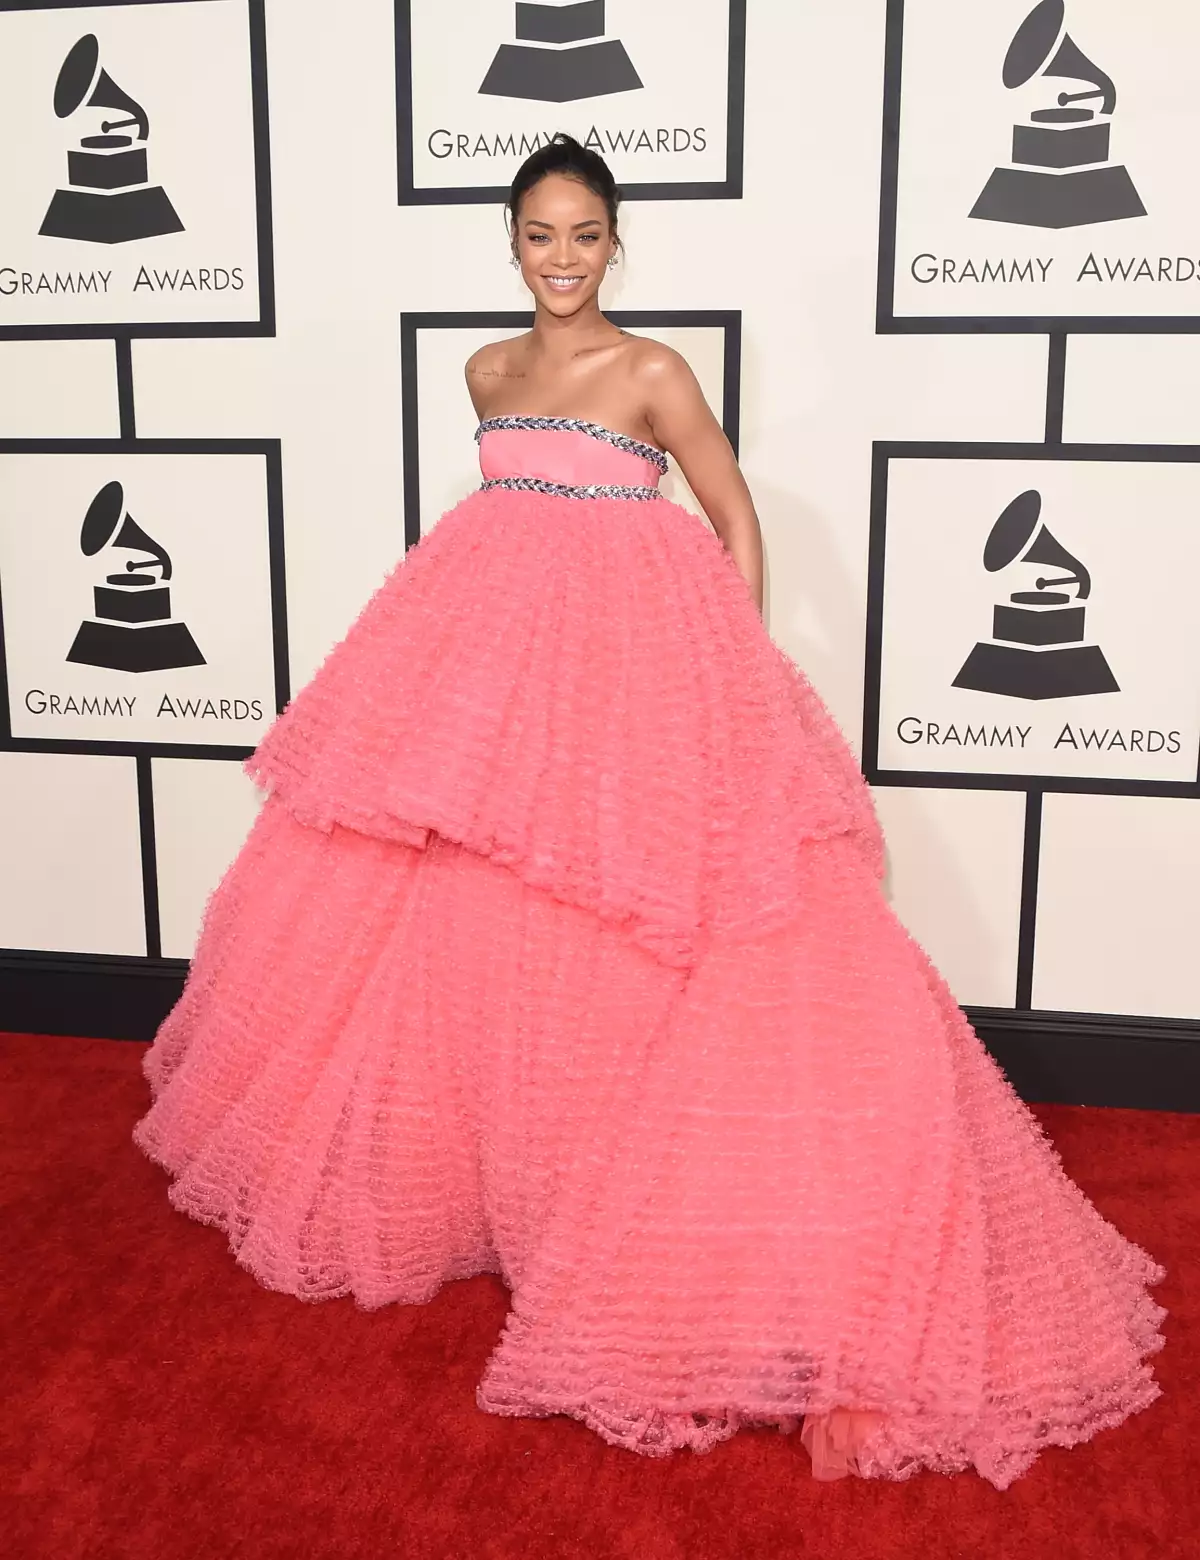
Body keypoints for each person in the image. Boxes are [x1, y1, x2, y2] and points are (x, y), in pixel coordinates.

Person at [134, 134, 1163, 1487]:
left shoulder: (655, 372)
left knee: (663, 933)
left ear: (617, 242)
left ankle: (671, 1217)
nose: (562, 259)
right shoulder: (486, 373)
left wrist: (726, 671)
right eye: (539, 236)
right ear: (513, 243)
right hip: (500, 687)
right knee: (484, 922)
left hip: (642, 687)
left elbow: (731, 514)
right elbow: (513, 544)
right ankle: (524, 1191)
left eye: (585, 235)